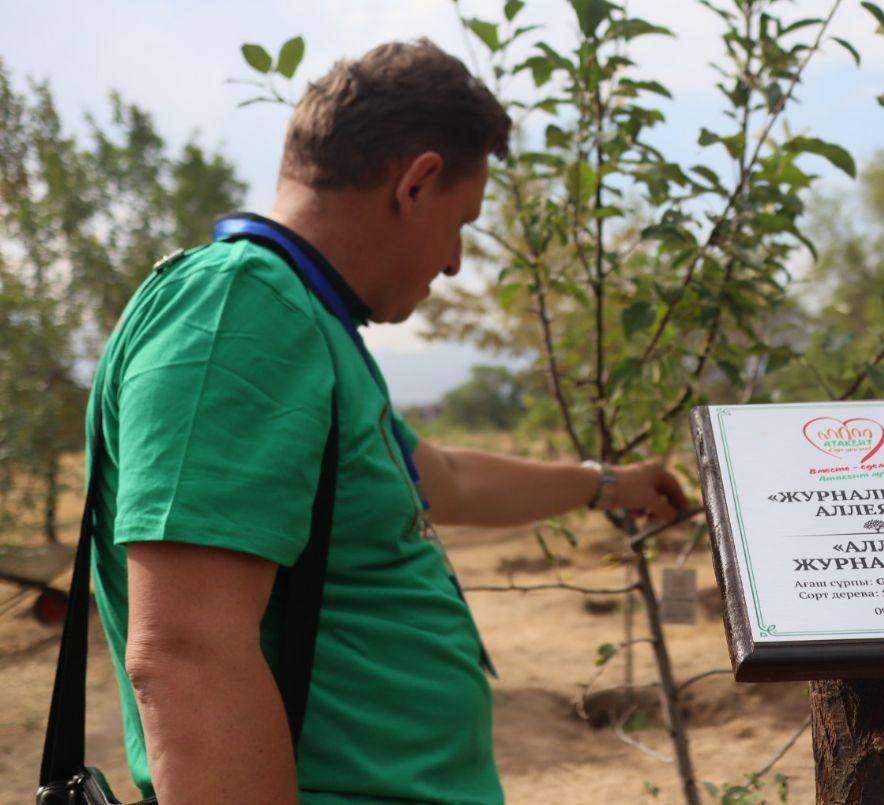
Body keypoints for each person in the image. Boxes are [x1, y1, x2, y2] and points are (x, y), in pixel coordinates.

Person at [86, 39, 689, 804]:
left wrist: (608, 483)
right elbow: (187, 653)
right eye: (462, 222)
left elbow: (442, 478)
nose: (456, 262)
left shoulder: (308, 323)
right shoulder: (238, 310)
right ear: (417, 183)